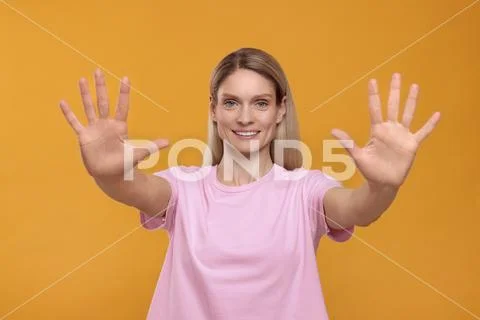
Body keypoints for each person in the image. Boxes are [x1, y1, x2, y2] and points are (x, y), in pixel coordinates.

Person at [59, 47, 440, 319]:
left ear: (280, 110)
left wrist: (384, 186)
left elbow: (360, 208)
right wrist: (107, 173)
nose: (244, 117)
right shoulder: (184, 189)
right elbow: (133, 189)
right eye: (230, 103)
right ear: (213, 110)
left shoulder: (305, 190)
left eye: (260, 102)